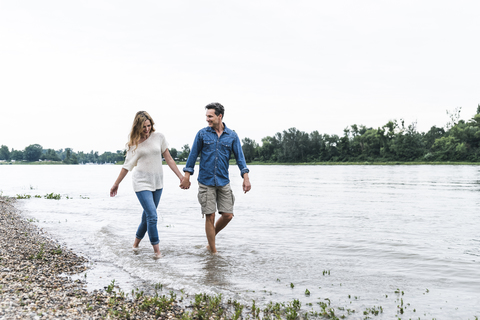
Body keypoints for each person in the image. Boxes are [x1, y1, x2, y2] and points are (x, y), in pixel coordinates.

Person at [110, 111, 187, 259]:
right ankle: (157, 253)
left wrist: (180, 177)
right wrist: (116, 184)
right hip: (141, 182)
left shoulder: (159, 137)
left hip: (157, 182)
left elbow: (169, 159)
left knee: (147, 217)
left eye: (148, 125)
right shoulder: (134, 144)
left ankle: (135, 245)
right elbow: (126, 166)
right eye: (143, 127)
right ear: (137, 127)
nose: (146, 129)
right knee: (152, 215)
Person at [180, 102, 251, 254]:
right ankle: (213, 253)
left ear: (220, 116)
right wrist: (186, 176)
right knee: (210, 216)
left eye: (210, 116)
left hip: (223, 181)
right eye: (206, 116)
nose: (207, 119)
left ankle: (210, 238)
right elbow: (192, 156)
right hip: (206, 181)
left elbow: (240, 159)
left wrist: (246, 178)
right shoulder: (202, 134)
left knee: (228, 215)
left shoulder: (232, 136)